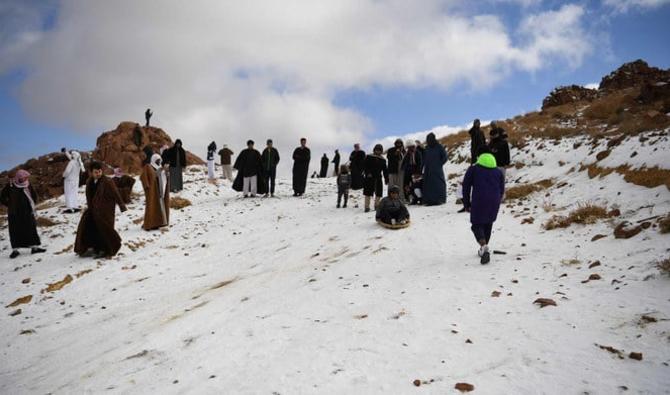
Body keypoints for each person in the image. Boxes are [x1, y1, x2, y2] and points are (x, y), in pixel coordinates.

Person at [74, 162, 127, 258]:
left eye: (99, 171)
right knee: (92, 229)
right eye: (96, 172)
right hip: (93, 210)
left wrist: (122, 205)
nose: (98, 173)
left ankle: (106, 250)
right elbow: (89, 196)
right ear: (91, 172)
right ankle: (95, 248)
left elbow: (116, 193)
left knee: (105, 230)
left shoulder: (107, 181)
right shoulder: (89, 181)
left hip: (105, 211)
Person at [462, 152, 505, 265]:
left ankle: (484, 246)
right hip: (494, 200)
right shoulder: (498, 171)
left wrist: (466, 204)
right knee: (488, 223)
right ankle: (484, 248)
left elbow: (466, 186)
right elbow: (502, 188)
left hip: (479, 200)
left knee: (476, 224)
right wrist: (497, 200)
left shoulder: (474, 169)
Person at [1, 170, 46, 259]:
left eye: (26, 177)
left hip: (27, 212)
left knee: (30, 228)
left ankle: (34, 248)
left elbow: (33, 195)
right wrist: (9, 205)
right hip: (14, 213)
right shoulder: (10, 186)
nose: (25, 179)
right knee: (15, 230)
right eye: (23, 178)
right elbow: (2, 197)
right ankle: (15, 250)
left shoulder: (27, 185)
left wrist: (32, 204)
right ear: (18, 178)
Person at [140, 154, 170, 230]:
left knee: (159, 207)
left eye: (159, 160)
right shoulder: (148, 167)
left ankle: (159, 223)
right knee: (151, 207)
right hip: (152, 191)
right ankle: (149, 225)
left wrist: (166, 172)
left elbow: (164, 177)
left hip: (160, 190)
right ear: (153, 160)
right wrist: (147, 186)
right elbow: (143, 176)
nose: (159, 162)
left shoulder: (160, 168)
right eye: (157, 160)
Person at [422, 132, 447, 206]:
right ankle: (429, 201)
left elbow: (445, 157)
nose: (429, 141)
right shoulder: (427, 148)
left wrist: (439, 164)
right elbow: (424, 158)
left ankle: (440, 199)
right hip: (428, 169)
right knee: (429, 184)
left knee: (438, 184)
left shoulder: (439, 147)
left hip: (437, 169)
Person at [363, 144, 388, 213]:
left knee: (379, 192)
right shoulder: (369, 157)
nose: (378, 151)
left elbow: (385, 170)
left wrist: (386, 178)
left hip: (378, 177)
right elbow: (365, 166)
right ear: (374, 150)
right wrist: (368, 173)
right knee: (368, 192)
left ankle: (377, 205)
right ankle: (366, 207)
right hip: (369, 177)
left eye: (379, 150)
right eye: (377, 150)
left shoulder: (383, 160)